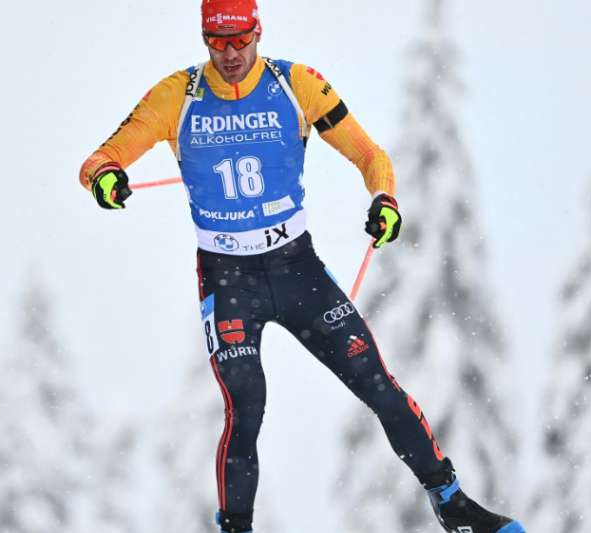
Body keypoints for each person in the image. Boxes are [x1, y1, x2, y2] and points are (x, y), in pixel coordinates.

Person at [79, 1, 525, 532]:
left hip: (297, 270)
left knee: (377, 385)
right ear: (203, 39)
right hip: (228, 278)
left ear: (258, 32)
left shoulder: (295, 85)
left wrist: (384, 199)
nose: (230, 54)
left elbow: (370, 155)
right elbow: (99, 160)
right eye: (217, 42)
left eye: (240, 40)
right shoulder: (178, 95)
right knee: (246, 407)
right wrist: (106, 178)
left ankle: (452, 505)